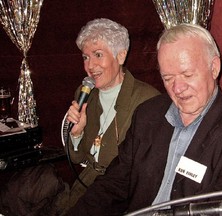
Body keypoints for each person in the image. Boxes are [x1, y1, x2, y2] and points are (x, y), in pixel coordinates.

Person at [66, 23, 222, 215]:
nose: (177, 88)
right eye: (168, 78)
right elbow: (115, 183)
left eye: (187, 75)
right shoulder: (148, 115)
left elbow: (220, 211)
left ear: (214, 68)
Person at [59, 18, 160, 213]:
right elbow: (76, 158)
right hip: (84, 186)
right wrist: (77, 134)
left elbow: (146, 173)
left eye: (98, 55)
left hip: (120, 198)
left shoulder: (148, 100)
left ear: (121, 56)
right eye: (85, 57)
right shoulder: (85, 93)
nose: (90, 66)